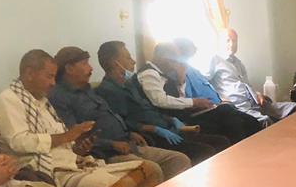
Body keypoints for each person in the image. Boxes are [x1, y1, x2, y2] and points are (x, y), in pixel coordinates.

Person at [0, 50, 162, 187]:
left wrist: (78, 147)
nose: (53, 83)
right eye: (49, 76)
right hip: (52, 171)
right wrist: (67, 136)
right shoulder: (8, 101)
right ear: (29, 73)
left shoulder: (42, 101)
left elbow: (63, 144)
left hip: (76, 163)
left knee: (150, 169)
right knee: (121, 186)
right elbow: (20, 142)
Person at [48, 46, 190, 179]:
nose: (91, 68)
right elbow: (73, 137)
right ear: (69, 68)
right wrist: (112, 144)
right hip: (105, 153)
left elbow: (112, 116)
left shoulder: (88, 89)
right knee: (151, 169)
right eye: (85, 64)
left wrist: (129, 133)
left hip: (127, 142)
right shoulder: (59, 97)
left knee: (179, 160)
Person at [95, 41, 226, 164]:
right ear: (115, 63)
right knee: (207, 151)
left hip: (168, 126)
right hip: (153, 135)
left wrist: (171, 120)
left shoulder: (129, 84)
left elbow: (149, 108)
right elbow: (125, 123)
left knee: (221, 140)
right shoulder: (108, 91)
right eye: (128, 58)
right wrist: (156, 129)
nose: (133, 61)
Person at [139, 45, 262, 143]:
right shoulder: (150, 73)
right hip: (187, 116)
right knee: (228, 115)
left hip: (201, 109)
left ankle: (255, 153)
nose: (175, 62)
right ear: (164, 58)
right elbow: (160, 100)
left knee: (249, 121)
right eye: (173, 59)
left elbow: (179, 98)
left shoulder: (170, 73)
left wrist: (181, 82)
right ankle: (240, 154)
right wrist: (193, 100)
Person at [208, 29, 296, 123]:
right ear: (220, 42)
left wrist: (258, 94)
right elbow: (204, 83)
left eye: (234, 41)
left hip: (256, 103)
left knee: (294, 108)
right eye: (228, 40)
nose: (232, 44)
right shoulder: (214, 60)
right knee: (266, 121)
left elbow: (247, 85)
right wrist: (218, 99)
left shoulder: (238, 63)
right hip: (239, 108)